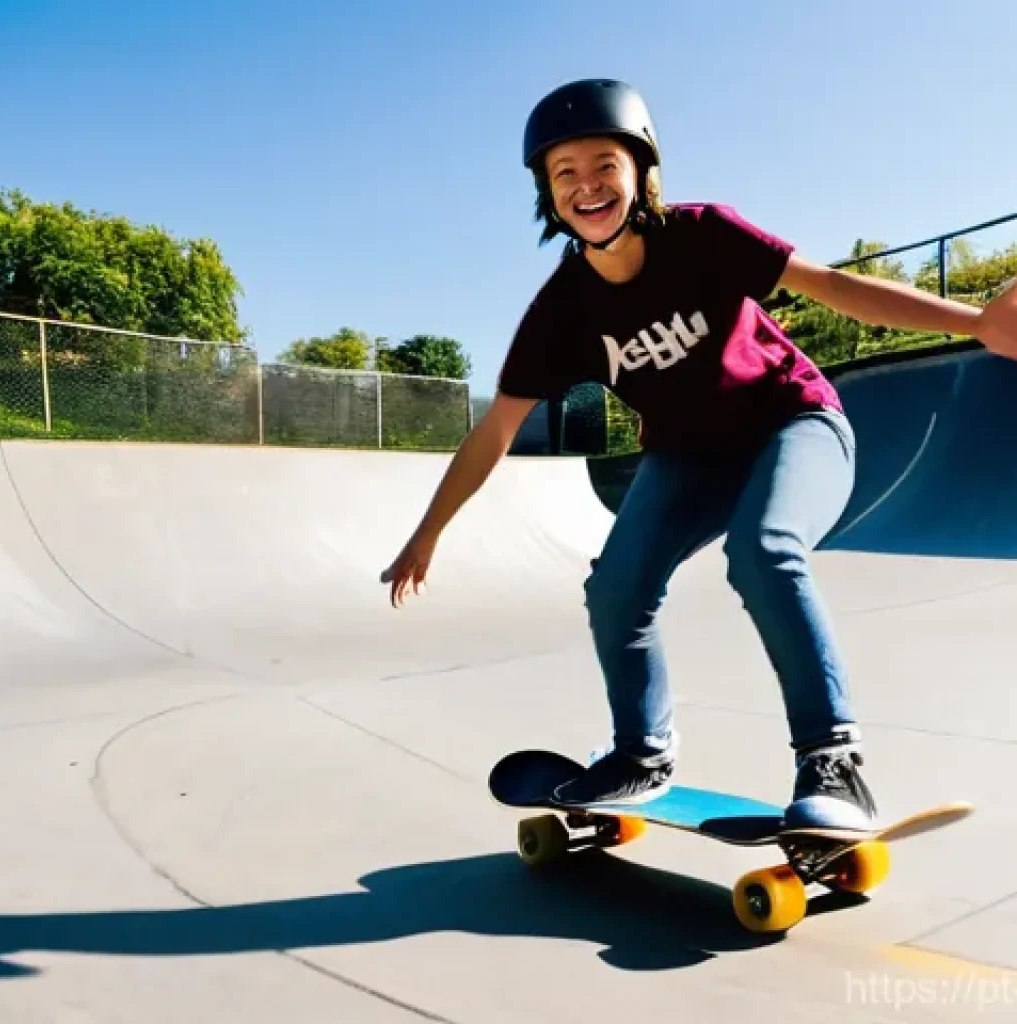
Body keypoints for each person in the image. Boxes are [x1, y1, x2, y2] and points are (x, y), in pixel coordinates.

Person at [381, 79, 1017, 829]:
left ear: (641, 170)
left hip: (794, 421)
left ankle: (832, 760)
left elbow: (831, 287)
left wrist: (974, 322)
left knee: (764, 550)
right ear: (548, 196)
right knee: (615, 587)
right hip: (690, 456)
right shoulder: (560, 312)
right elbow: (491, 434)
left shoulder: (705, 234)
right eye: (566, 174)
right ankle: (641, 754)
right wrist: (429, 531)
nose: (587, 186)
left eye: (604, 165)